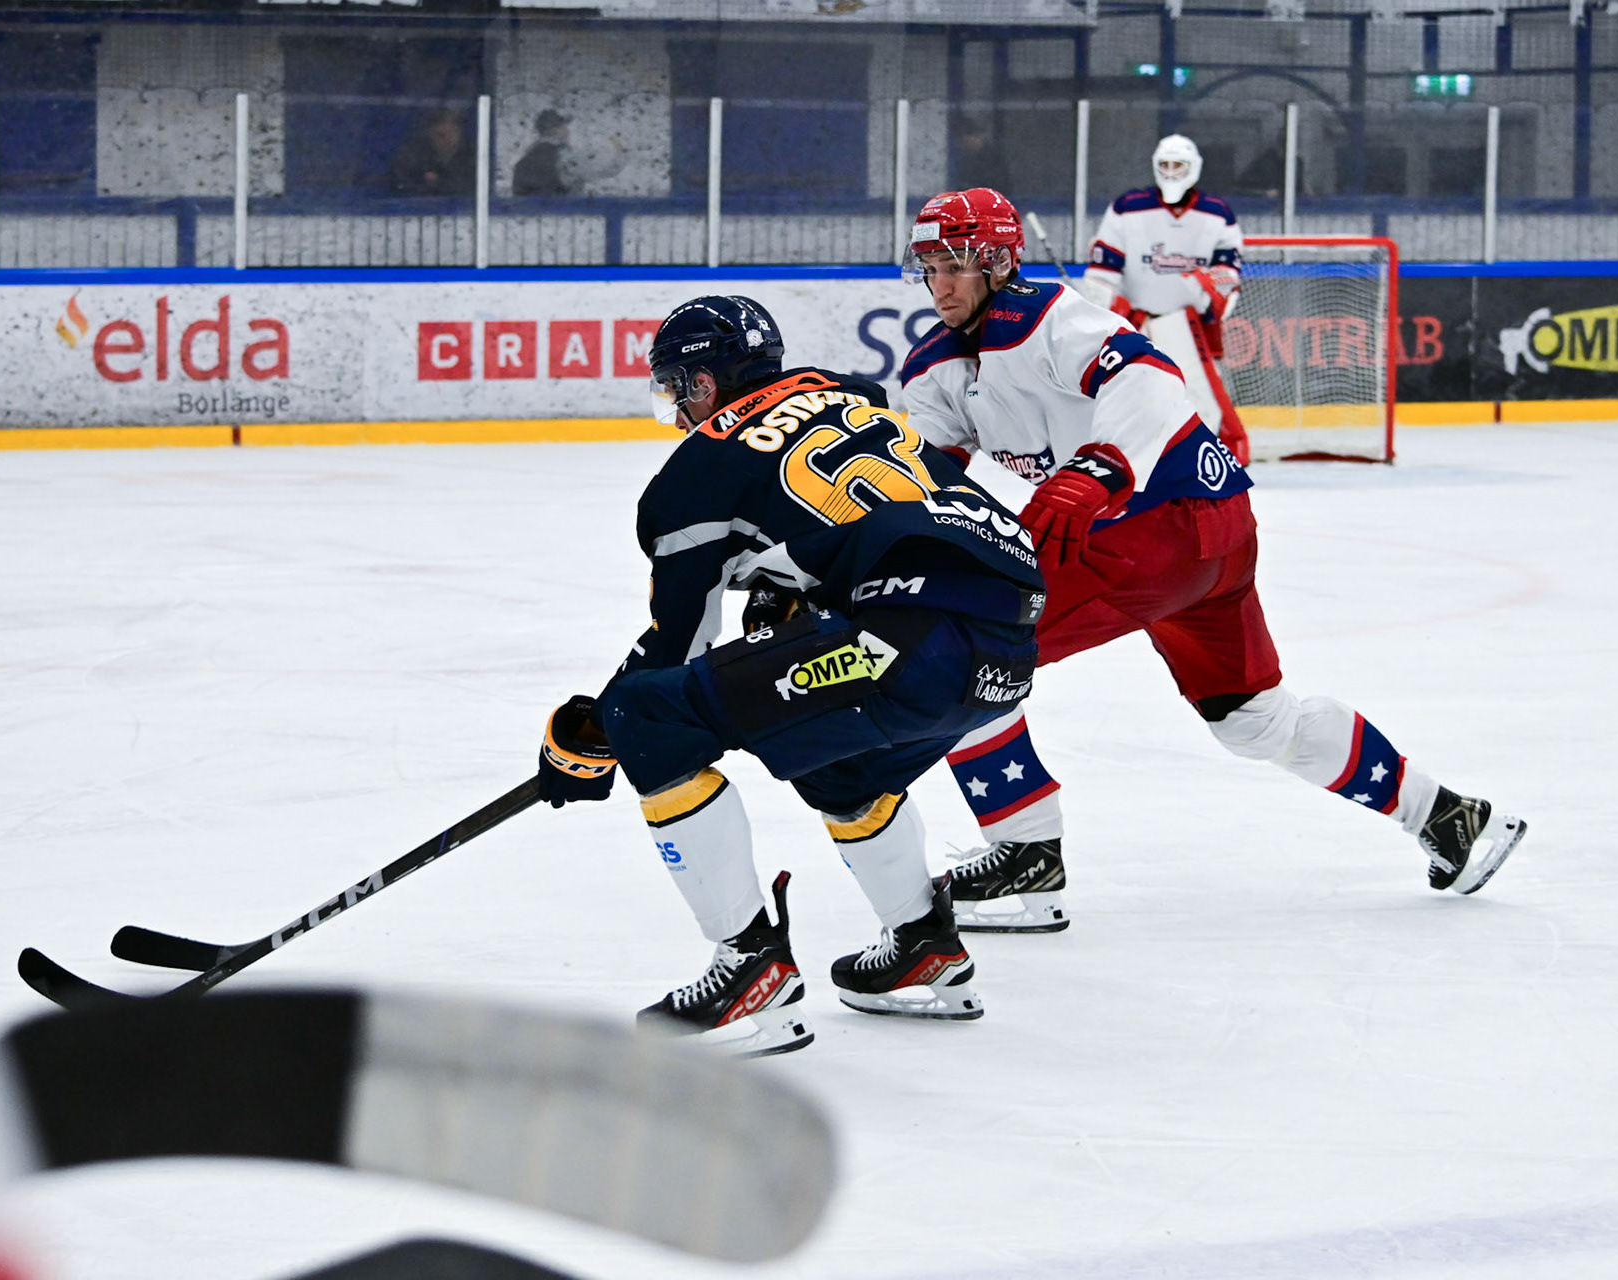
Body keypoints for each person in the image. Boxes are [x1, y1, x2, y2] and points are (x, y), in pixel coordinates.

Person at [896, 187, 1527, 934]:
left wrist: (1097, 469)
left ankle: (1026, 860)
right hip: (1216, 531)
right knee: (1254, 719)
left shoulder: (1048, 317)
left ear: (1001, 263)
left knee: (960, 661)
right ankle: (1449, 818)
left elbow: (1149, 377)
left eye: (956, 266)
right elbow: (923, 475)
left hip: (1147, 532)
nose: (940, 285)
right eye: (930, 267)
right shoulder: (936, 365)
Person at [534, 294, 1045, 1056]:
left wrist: (596, 730)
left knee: (647, 716)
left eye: (675, 387)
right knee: (839, 768)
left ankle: (752, 970)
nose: (675, 409)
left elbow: (679, 649)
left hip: (908, 640)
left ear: (704, 383)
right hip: (1010, 645)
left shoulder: (694, 475)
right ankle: (923, 948)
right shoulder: (845, 393)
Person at [1076, 135, 1253, 465]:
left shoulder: (1217, 213)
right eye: (1165, 165)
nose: (1171, 172)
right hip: (1134, 320)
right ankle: (1124, 458)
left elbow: (1227, 274)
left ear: (1193, 168)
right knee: (1126, 394)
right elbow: (1103, 271)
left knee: (1201, 399)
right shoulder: (1128, 207)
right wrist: (1102, 309)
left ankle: (1201, 461)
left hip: (1187, 324)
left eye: (1178, 165)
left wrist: (1214, 299)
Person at [388, 109, 475, 197]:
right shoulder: (413, 154)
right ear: (430, 134)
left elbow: (471, 186)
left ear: (460, 133)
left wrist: (441, 182)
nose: (448, 140)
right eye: (441, 135)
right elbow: (397, 182)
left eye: (452, 134)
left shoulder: (472, 156)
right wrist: (422, 181)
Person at [511, 109, 574, 196]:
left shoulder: (526, 160)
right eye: (563, 127)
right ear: (554, 131)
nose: (568, 132)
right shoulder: (561, 157)